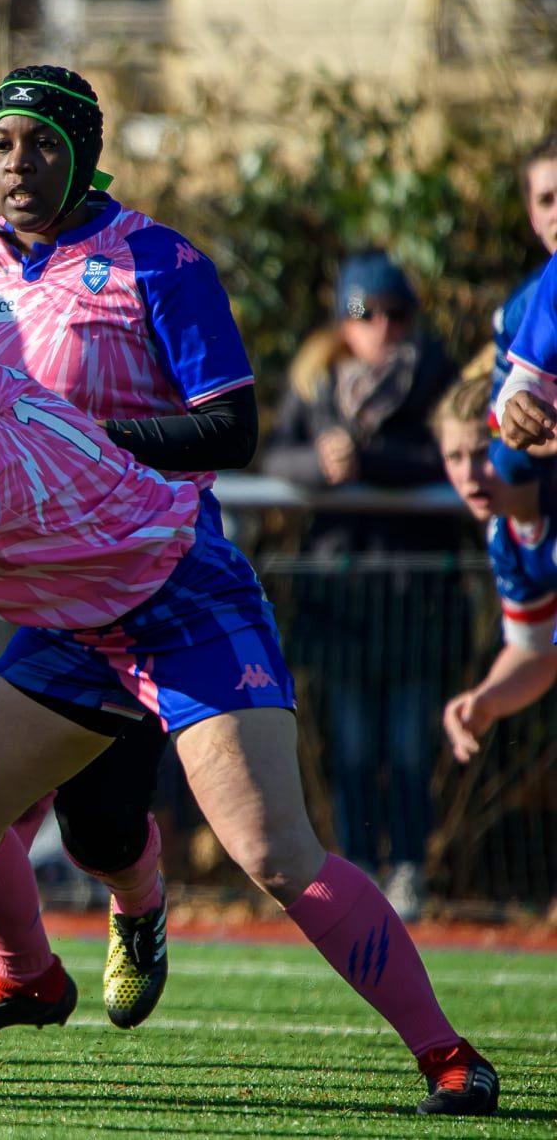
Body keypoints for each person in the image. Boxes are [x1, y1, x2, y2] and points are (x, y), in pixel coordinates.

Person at [0, 338, 499, 1117]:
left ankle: (451, 1057)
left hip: (184, 601)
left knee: (275, 853)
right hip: (80, 622)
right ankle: (27, 977)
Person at [0, 63, 261, 1078]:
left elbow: (233, 426)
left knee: (99, 825)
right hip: (14, 572)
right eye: (2, 143)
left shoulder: (160, 259)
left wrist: (86, 440)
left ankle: (136, 900)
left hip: (138, 568)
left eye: (44, 145)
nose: (18, 164)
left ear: (85, 155)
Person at [262, 251, 460, 920]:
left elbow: (452, 457)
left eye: (396, 313)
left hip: (414, 597)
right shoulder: (316, 380)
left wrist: (367, 460)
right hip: (340, 596)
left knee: (408, 745)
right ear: (342, 317)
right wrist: (320, 464)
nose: (380, 326)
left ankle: (408, 869)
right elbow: (276, 457)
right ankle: (353, 871)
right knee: (348, 744)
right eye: (364, 312)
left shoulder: (436, 377)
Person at [436, 374, 557, 762]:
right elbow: (536, 651)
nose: (468, 476)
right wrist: (487, 698)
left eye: (481, 454)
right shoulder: (504, 535)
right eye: (454, 457)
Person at [485, 132, 557, 487]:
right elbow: (502, 447)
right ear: (532, 216)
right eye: (547, 200)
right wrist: (517, 415)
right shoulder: (519, 312)